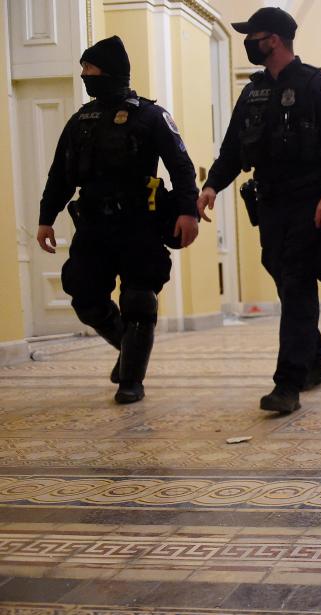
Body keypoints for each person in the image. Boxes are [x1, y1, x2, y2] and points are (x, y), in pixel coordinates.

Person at [198, 7, 321, 414]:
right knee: (281, 273)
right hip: (269, 205)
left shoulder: (317, 86)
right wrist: (211, 186)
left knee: (296, 281)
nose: (248, 42)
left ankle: (288, 383)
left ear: (273, 39)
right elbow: (233, 149)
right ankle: (315, 360)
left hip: (309, 202)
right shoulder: (252, 92)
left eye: (253, 35)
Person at [36, 35, 199, 404]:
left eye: (89, 68)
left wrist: (188, 211)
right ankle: (129, 348)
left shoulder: (151, 116)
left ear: (108, 71)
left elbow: (181, 168)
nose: (84, 75)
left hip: (139, 223)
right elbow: (59, 175)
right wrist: (47, 218)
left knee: (139, 299)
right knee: (84, 297)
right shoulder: (81, 120)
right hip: (93, 225)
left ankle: (131, 380)